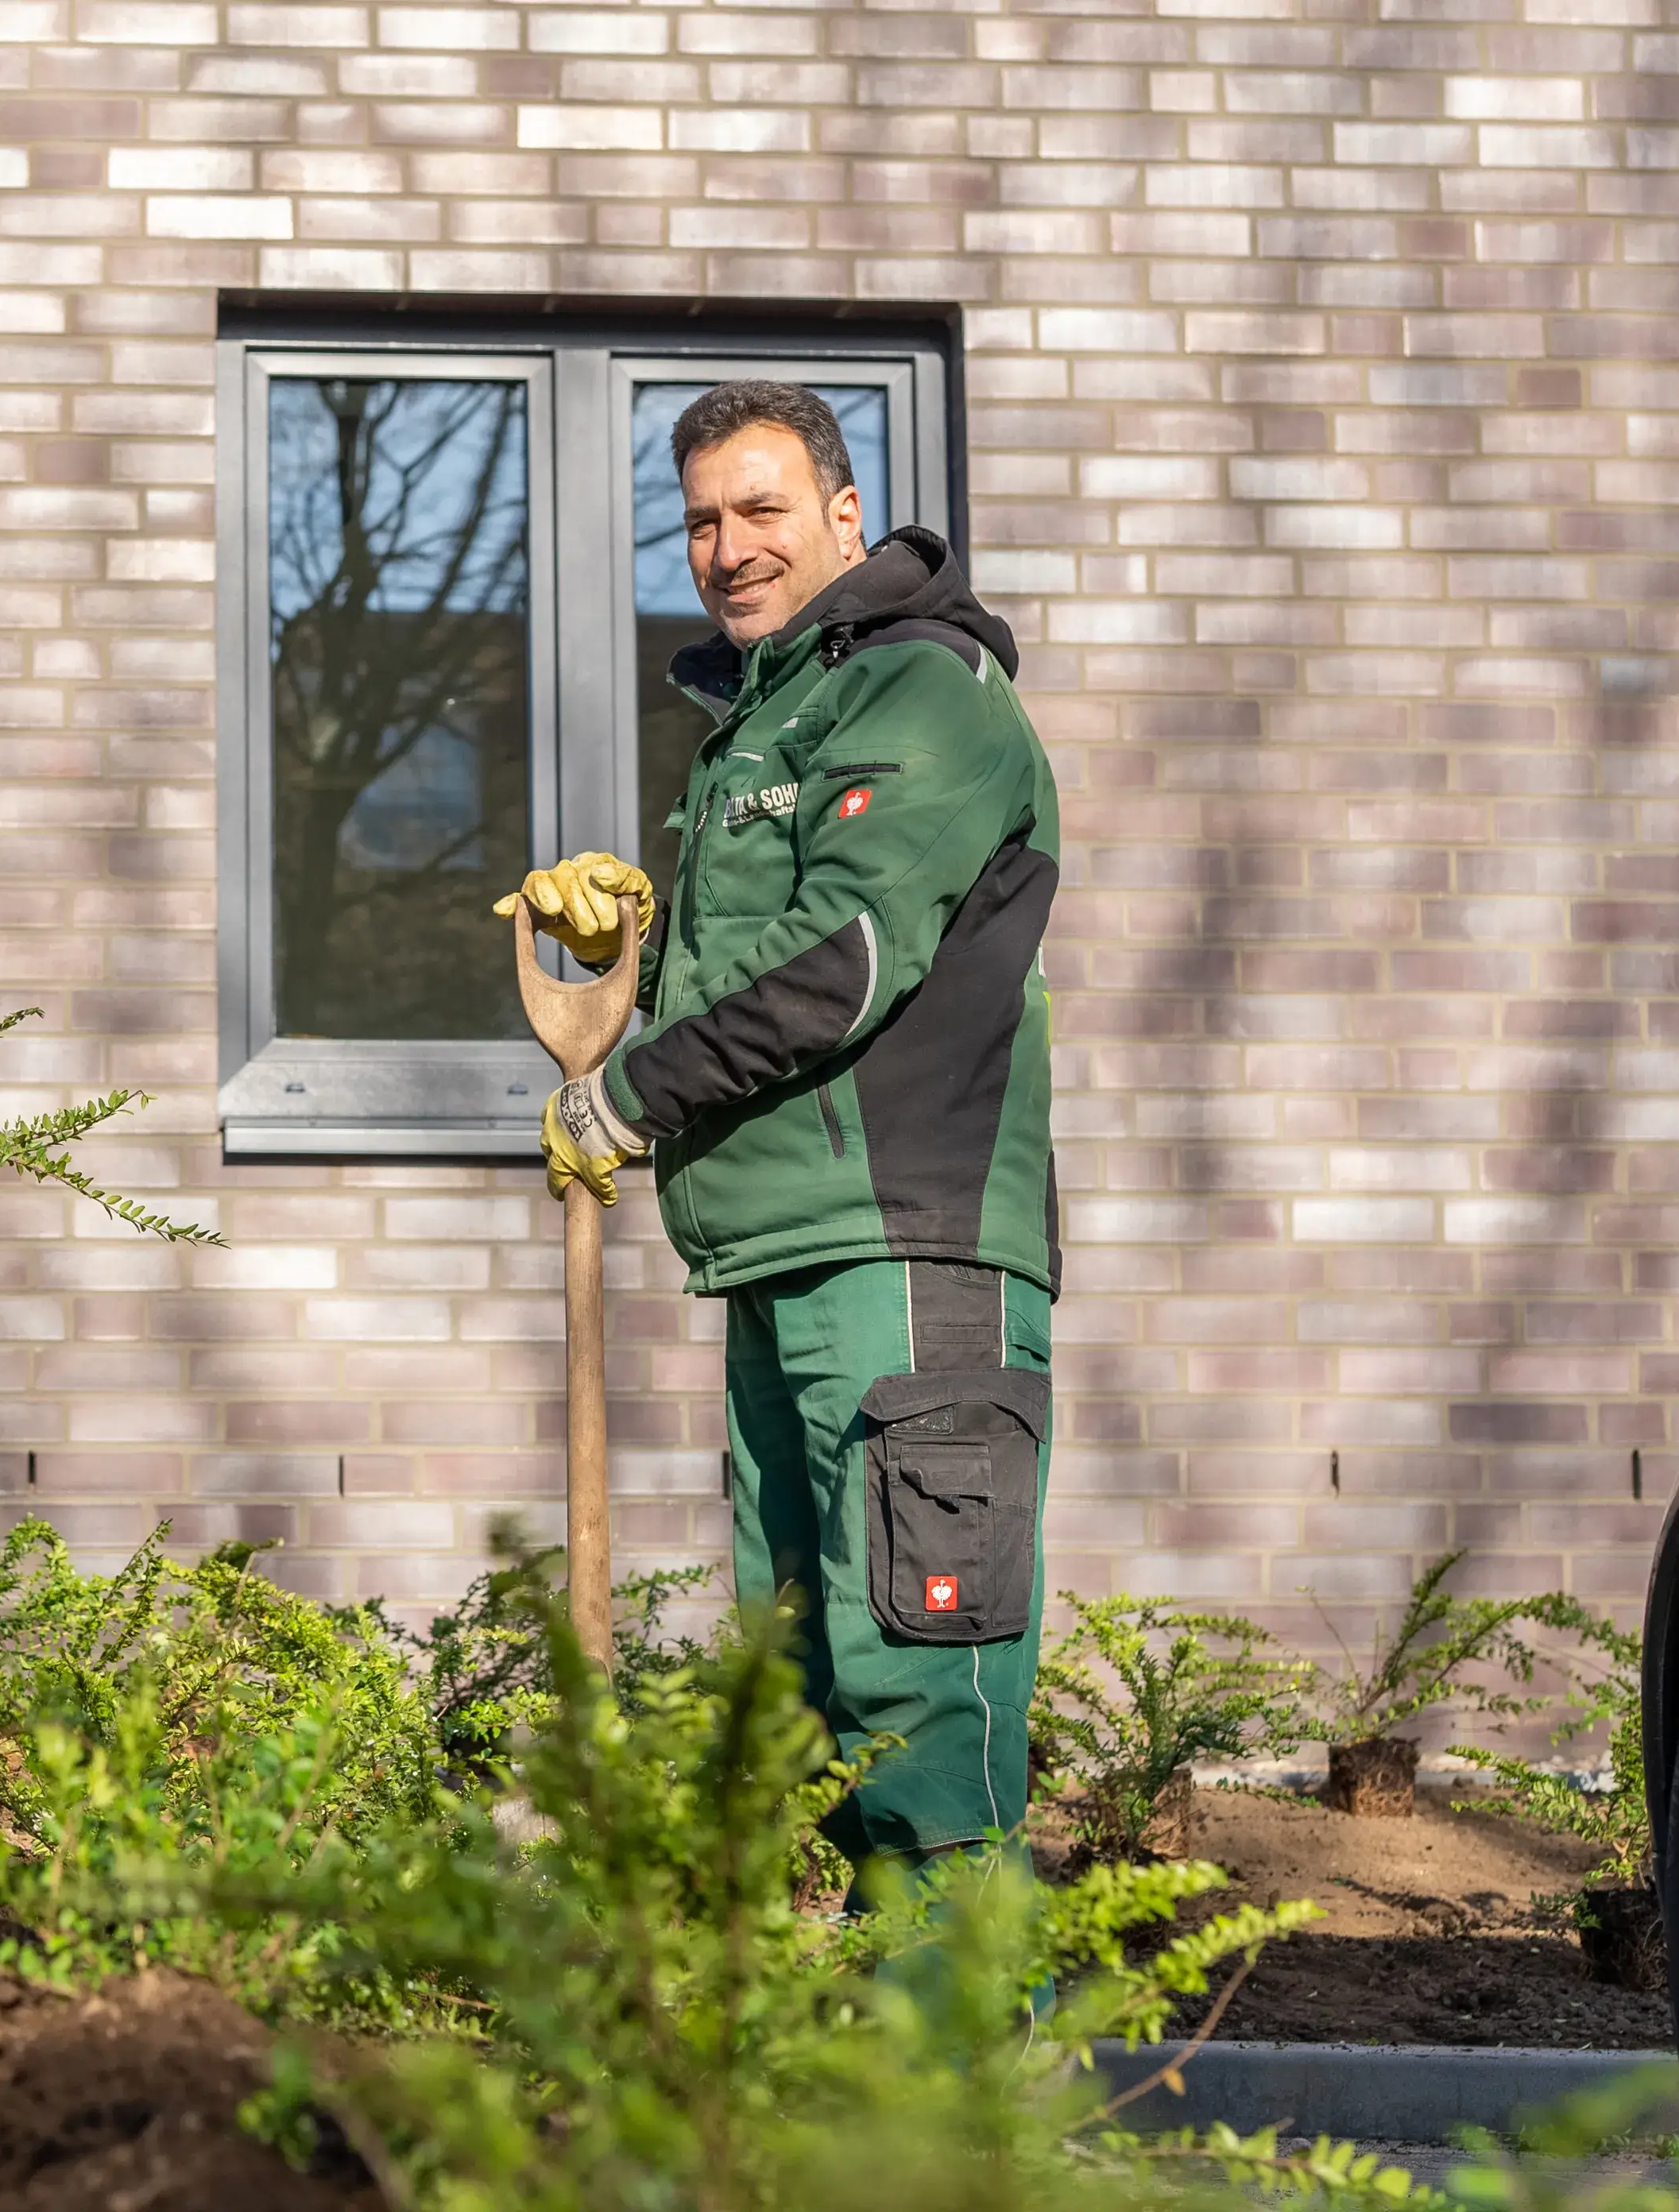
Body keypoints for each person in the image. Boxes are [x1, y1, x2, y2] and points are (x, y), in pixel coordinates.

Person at [499, 381, 1059, 1866]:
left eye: (761, 510)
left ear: (845, 515)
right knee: (809, 1709)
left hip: (903, 1256)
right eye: (698, 521)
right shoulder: (773, 717)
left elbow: (849, 958)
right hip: (776, 1261)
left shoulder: (922, 688)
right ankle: (856, 2091)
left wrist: (629, 1093)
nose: (726, 546)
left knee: (922, 1723)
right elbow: (778, 937)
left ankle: (970, 2090)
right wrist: (645, 932)